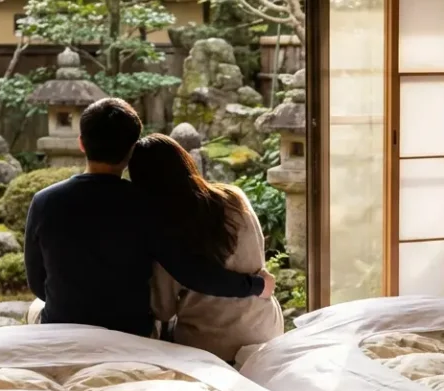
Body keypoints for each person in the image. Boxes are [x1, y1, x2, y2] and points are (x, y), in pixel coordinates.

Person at [23, 98, 274, 336]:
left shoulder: (44, 201)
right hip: (129, 334)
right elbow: (192, 272)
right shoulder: (148, 205)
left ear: (81, 143)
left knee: (35, 307)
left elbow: (37, 283)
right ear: (132, 149)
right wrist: (254, 286)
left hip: (62, 327)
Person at [129, 134, 284, 363]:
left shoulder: (169, 228)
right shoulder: (235, 198)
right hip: (264, 330)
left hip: (209, 345)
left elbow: (163, 309)